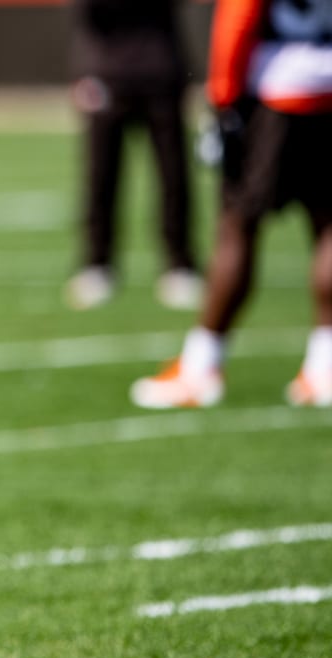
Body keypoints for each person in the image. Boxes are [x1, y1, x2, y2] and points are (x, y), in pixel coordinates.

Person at [130, 0, 332, 408]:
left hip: (274, 89)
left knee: (237, 226)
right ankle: (325, 367)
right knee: (328, 225)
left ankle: (201, 366)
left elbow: (239, 14)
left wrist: (223, 100)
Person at [64, 0, 203, 311]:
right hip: (105, 72)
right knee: (100, 175)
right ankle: (97, 263)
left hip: (160, 70)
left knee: (174, 174)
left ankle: (179, 263)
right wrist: (82, 72)